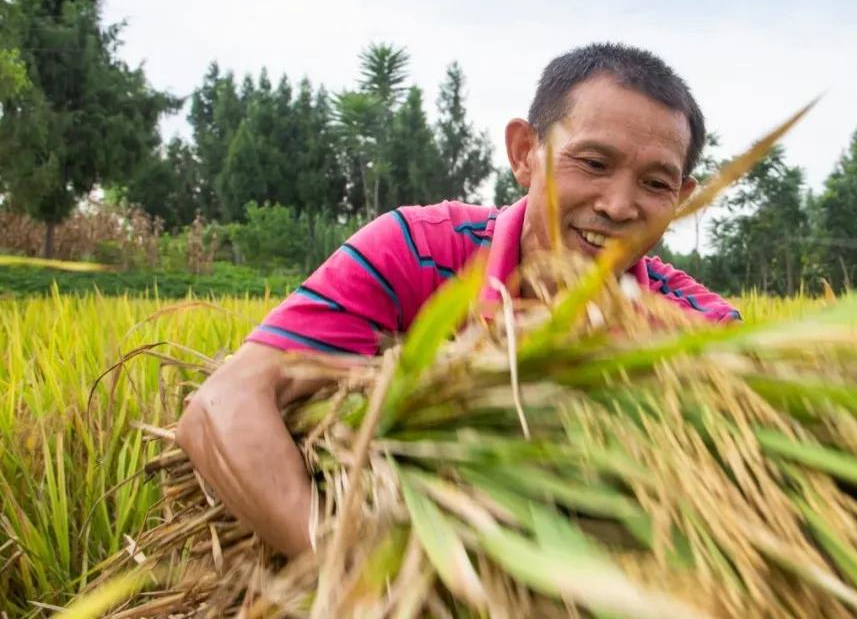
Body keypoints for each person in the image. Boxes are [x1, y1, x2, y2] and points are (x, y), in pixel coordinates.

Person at [175, 42, 741, 558]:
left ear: (683, 198)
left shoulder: (699, 329)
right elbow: (224, 404)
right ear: (525, 152)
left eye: (655, 183)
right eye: (593, 164)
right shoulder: (417, 253)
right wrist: (353, 583)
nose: (619, 206)